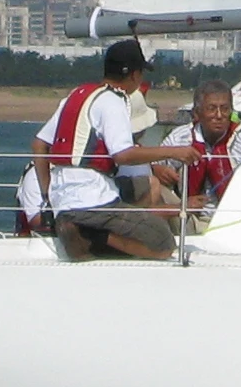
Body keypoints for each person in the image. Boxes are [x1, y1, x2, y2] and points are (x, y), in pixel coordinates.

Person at [31, 39, 200, 261]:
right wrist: (174, 152)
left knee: (144, 187)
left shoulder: (76, 95)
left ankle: (80, 229)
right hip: (92, 199)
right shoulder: (113, 100)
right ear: (134, 75)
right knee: (162, 242)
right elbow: (122, 155)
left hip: (62, 200)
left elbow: (39, 143)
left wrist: (47, 194)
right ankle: (90, 237)